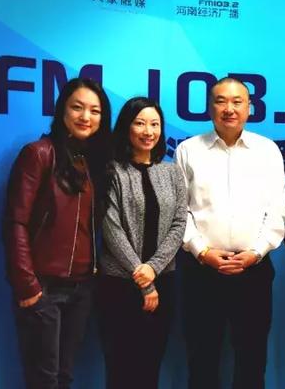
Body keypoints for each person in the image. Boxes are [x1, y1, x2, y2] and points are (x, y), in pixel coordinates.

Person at [174, 77, 285, 389]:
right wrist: (201, 251)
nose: (229, 108)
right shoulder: (188, 150)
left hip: (253, 271)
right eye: (221, 101)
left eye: (237, 101)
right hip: (201, 271)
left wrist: (256, 252)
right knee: (201, 359)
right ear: (209, 107)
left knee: (252, 359)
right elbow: (179, 211)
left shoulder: (267, 151)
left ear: (250, 107)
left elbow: (278, 208)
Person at [3, 77, 112, 389]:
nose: (85, 117)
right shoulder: (38, 154)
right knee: (44, 380)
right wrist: (28, 285)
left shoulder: (94, 163)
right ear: (62, 110)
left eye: (94, 111)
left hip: (82, 288)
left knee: (64, 376)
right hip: (44, 287)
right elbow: (15, 222)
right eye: (77, 107)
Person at [97, 97, 187, 389]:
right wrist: (143, 278)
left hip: (164, 283)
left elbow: (179, 224)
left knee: (151, 365)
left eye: (155, 124)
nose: (148, 131)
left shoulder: (172, 172)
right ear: (126, 127)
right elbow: (111, 227)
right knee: (120, 367)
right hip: (119, 284)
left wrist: (154, 268)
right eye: (140, 123)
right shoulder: (111, 171)